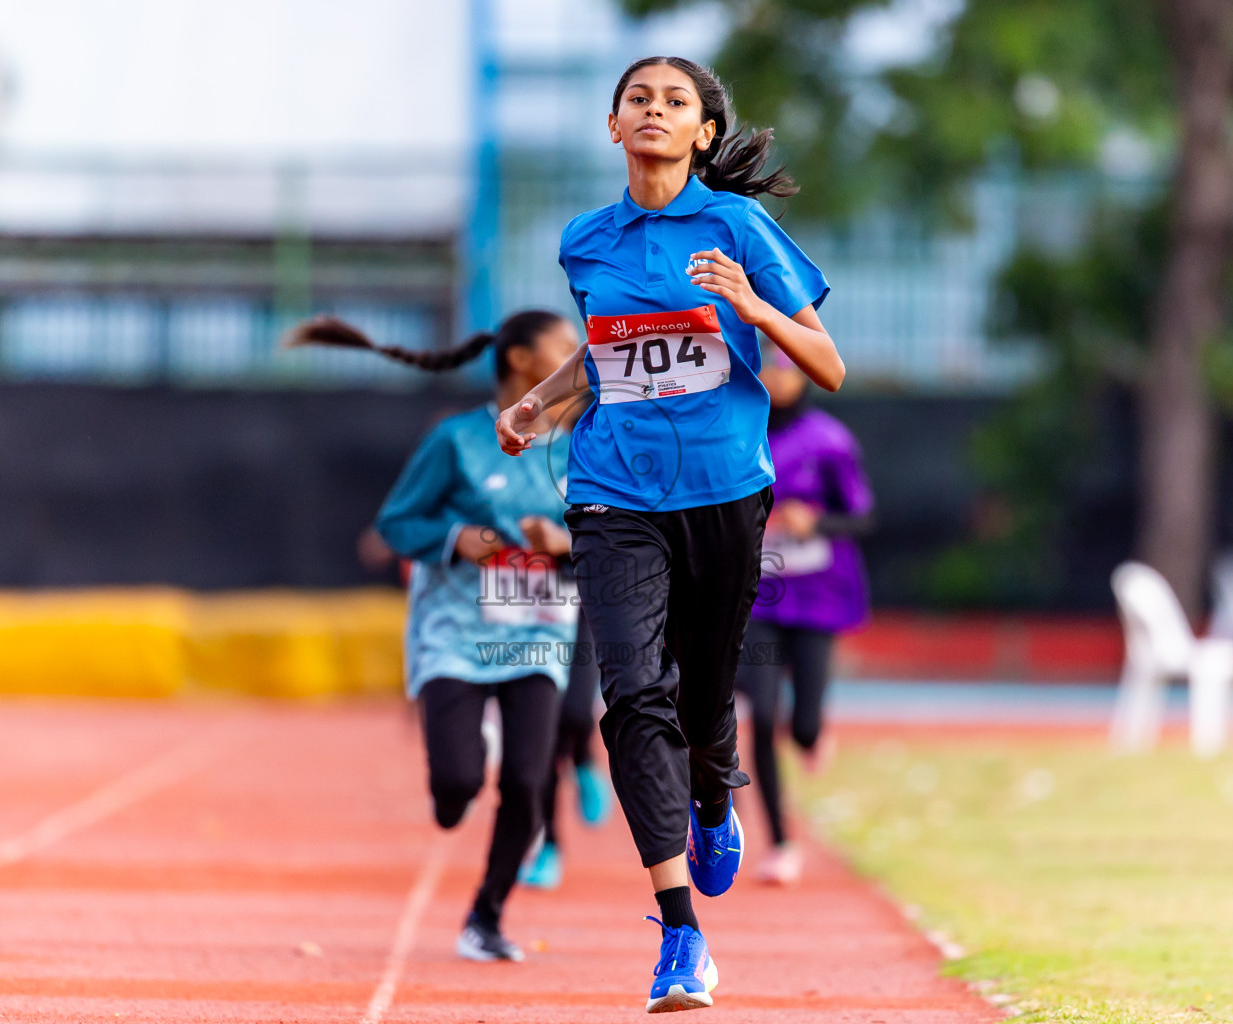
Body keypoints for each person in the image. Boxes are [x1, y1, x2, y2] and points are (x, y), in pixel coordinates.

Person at [495, 56, 845, 1013]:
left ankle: (714, 793)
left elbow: (826, 364)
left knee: (701, 698)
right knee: (633, 696)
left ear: (701, 132)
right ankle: (681, 936)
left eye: (674, 102)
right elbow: (603, 359)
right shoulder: (587, 242)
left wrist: (751, 303)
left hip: (725, 492)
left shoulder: (737, 228)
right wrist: (539, 401)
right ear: (614, 126)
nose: (653, 112)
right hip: (611, 492)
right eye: (637, 100)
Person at [296, 309, 581, 962]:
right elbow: (396, 524)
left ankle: (486, 916)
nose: (579, 357)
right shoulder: (456, 442)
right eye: (565, 346)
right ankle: (454, 785)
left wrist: (564, 541)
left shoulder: (578, 444)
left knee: (531, 782)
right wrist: (459, 539)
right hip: (456, 635)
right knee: (457, 786)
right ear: (520, 360)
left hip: (539, 632)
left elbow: (612, 533)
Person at [737, 344, 873, 887]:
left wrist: (814, 521)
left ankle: (813, 733)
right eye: (764, 367)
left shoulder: (830, 441)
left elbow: (862, 517)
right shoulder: (738, 435)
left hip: (819, 593)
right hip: (759, 594)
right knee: (763, 715)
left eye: (784, 369)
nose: (774, 376)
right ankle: (780, 842)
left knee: (804, 726)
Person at [518, 604, 615, 889]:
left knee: (576, 712)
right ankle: (548, 844)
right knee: (545, 736)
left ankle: (583, 759)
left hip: (579, 607)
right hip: (526, 615)